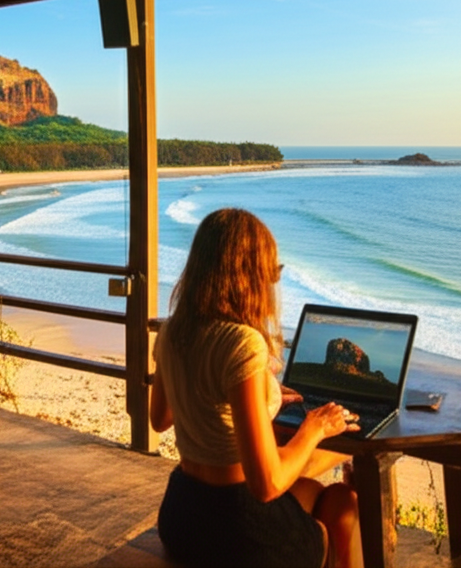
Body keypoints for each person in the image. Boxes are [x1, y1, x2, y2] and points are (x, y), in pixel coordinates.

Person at [151, 208, 363, 568]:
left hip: (184, 513)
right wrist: (315, 428)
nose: (272, 282)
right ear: (248, 274)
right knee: (343, 504)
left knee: (327, 491)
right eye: (271, 271)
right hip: (237, 526)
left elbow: (160, 417)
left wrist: (258, 393)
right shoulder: (243, 342)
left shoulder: (173, 331)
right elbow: (266, 484)